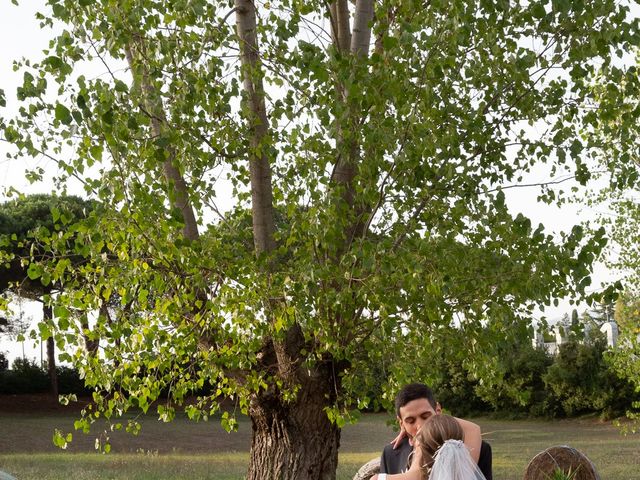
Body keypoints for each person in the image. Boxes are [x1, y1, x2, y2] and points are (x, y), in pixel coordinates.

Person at [378, 383, 492, 479]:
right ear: (401, 423)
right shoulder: (390, 453)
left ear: (438, 410)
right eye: (410, 421)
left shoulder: (477, 448)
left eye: (425, 416)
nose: (420, 426)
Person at [372, 414, 487, 480]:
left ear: (419, 444)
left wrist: (405, 424)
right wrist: (434, 419)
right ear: (460, 445)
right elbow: (474, 429)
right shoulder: (466, 472)